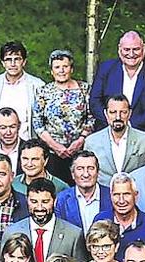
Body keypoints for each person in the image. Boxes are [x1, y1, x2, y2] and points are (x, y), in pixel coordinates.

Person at [33, 49, 95, 183]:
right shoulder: (43, 92)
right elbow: (37, 123)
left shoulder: (85, 89)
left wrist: (80, 140)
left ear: (71, 69)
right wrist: (55, 146)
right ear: (51, 71)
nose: (61, 70)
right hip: (53, 153)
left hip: (80, 150)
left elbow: (92, 116)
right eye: (57, 67)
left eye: (65, 66)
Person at [5, 179, 90, 262]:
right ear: (27, 200)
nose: (39, 207)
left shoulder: (73, 235)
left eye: (45, 202)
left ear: (54, 201)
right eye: (34, 202)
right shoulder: (11, 232)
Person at [89, 31, 145, 131]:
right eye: (126, 49)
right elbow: (94, 102)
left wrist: (130, 126)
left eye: (136, 49)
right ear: (119, 49)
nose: (131, 54)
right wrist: (114, 124)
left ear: (143, 49)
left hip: (143, 134)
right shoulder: (105, 69)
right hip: (107, 132)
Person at [86, 95, 145, 184]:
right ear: (106, 113)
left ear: (129, 113)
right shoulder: (91, 142)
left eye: (123, 112)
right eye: (113, 112)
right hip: (103, 194)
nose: (118, 117)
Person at [0, 41, 45, 140]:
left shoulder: (38, 85)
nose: (13, 64)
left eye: (17, 59)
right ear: (3, 63)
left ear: (24, 62)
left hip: (27, 143)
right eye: (8, 60)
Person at [95, 173, 145, 252]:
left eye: (126, 194)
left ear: (136, 195)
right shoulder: (101, 219)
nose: (121, 200)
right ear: (110, 196)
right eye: (116, 195)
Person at [55, 151, 110, 232]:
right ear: (73, 174)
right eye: (80, 169)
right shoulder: (62, 200)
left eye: (90, 168)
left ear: (98, 172)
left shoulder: (111, 196)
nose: (86, 174)